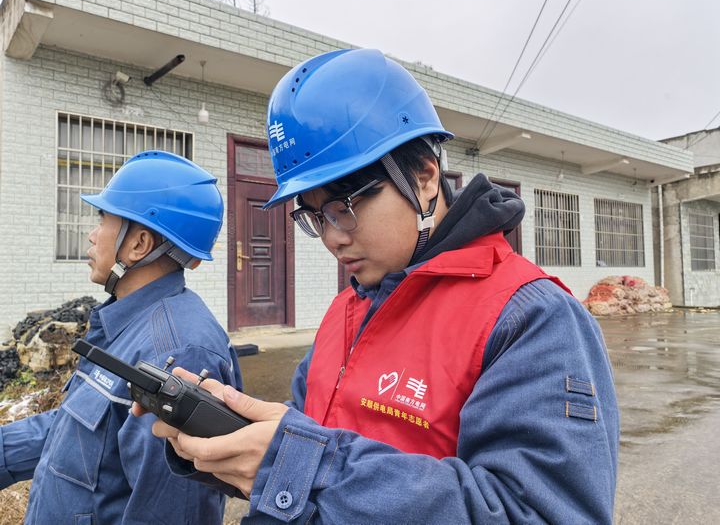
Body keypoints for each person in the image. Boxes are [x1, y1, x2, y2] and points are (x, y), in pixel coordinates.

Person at [151, 49, 620, 524]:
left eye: (346, 205)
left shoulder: (530, 318)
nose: (333, 236)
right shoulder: (346, 309)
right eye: (314, 216)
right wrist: (222, 435)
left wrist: (306, 463)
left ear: (424, 178)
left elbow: (541, 512)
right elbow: (303, 439)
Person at [0, 151, 243, 524]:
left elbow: (170, 512)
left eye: (103, 219)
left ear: (138, 244)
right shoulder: (125, 325)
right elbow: (74, 431)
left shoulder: (177, 354)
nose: (92, 235)